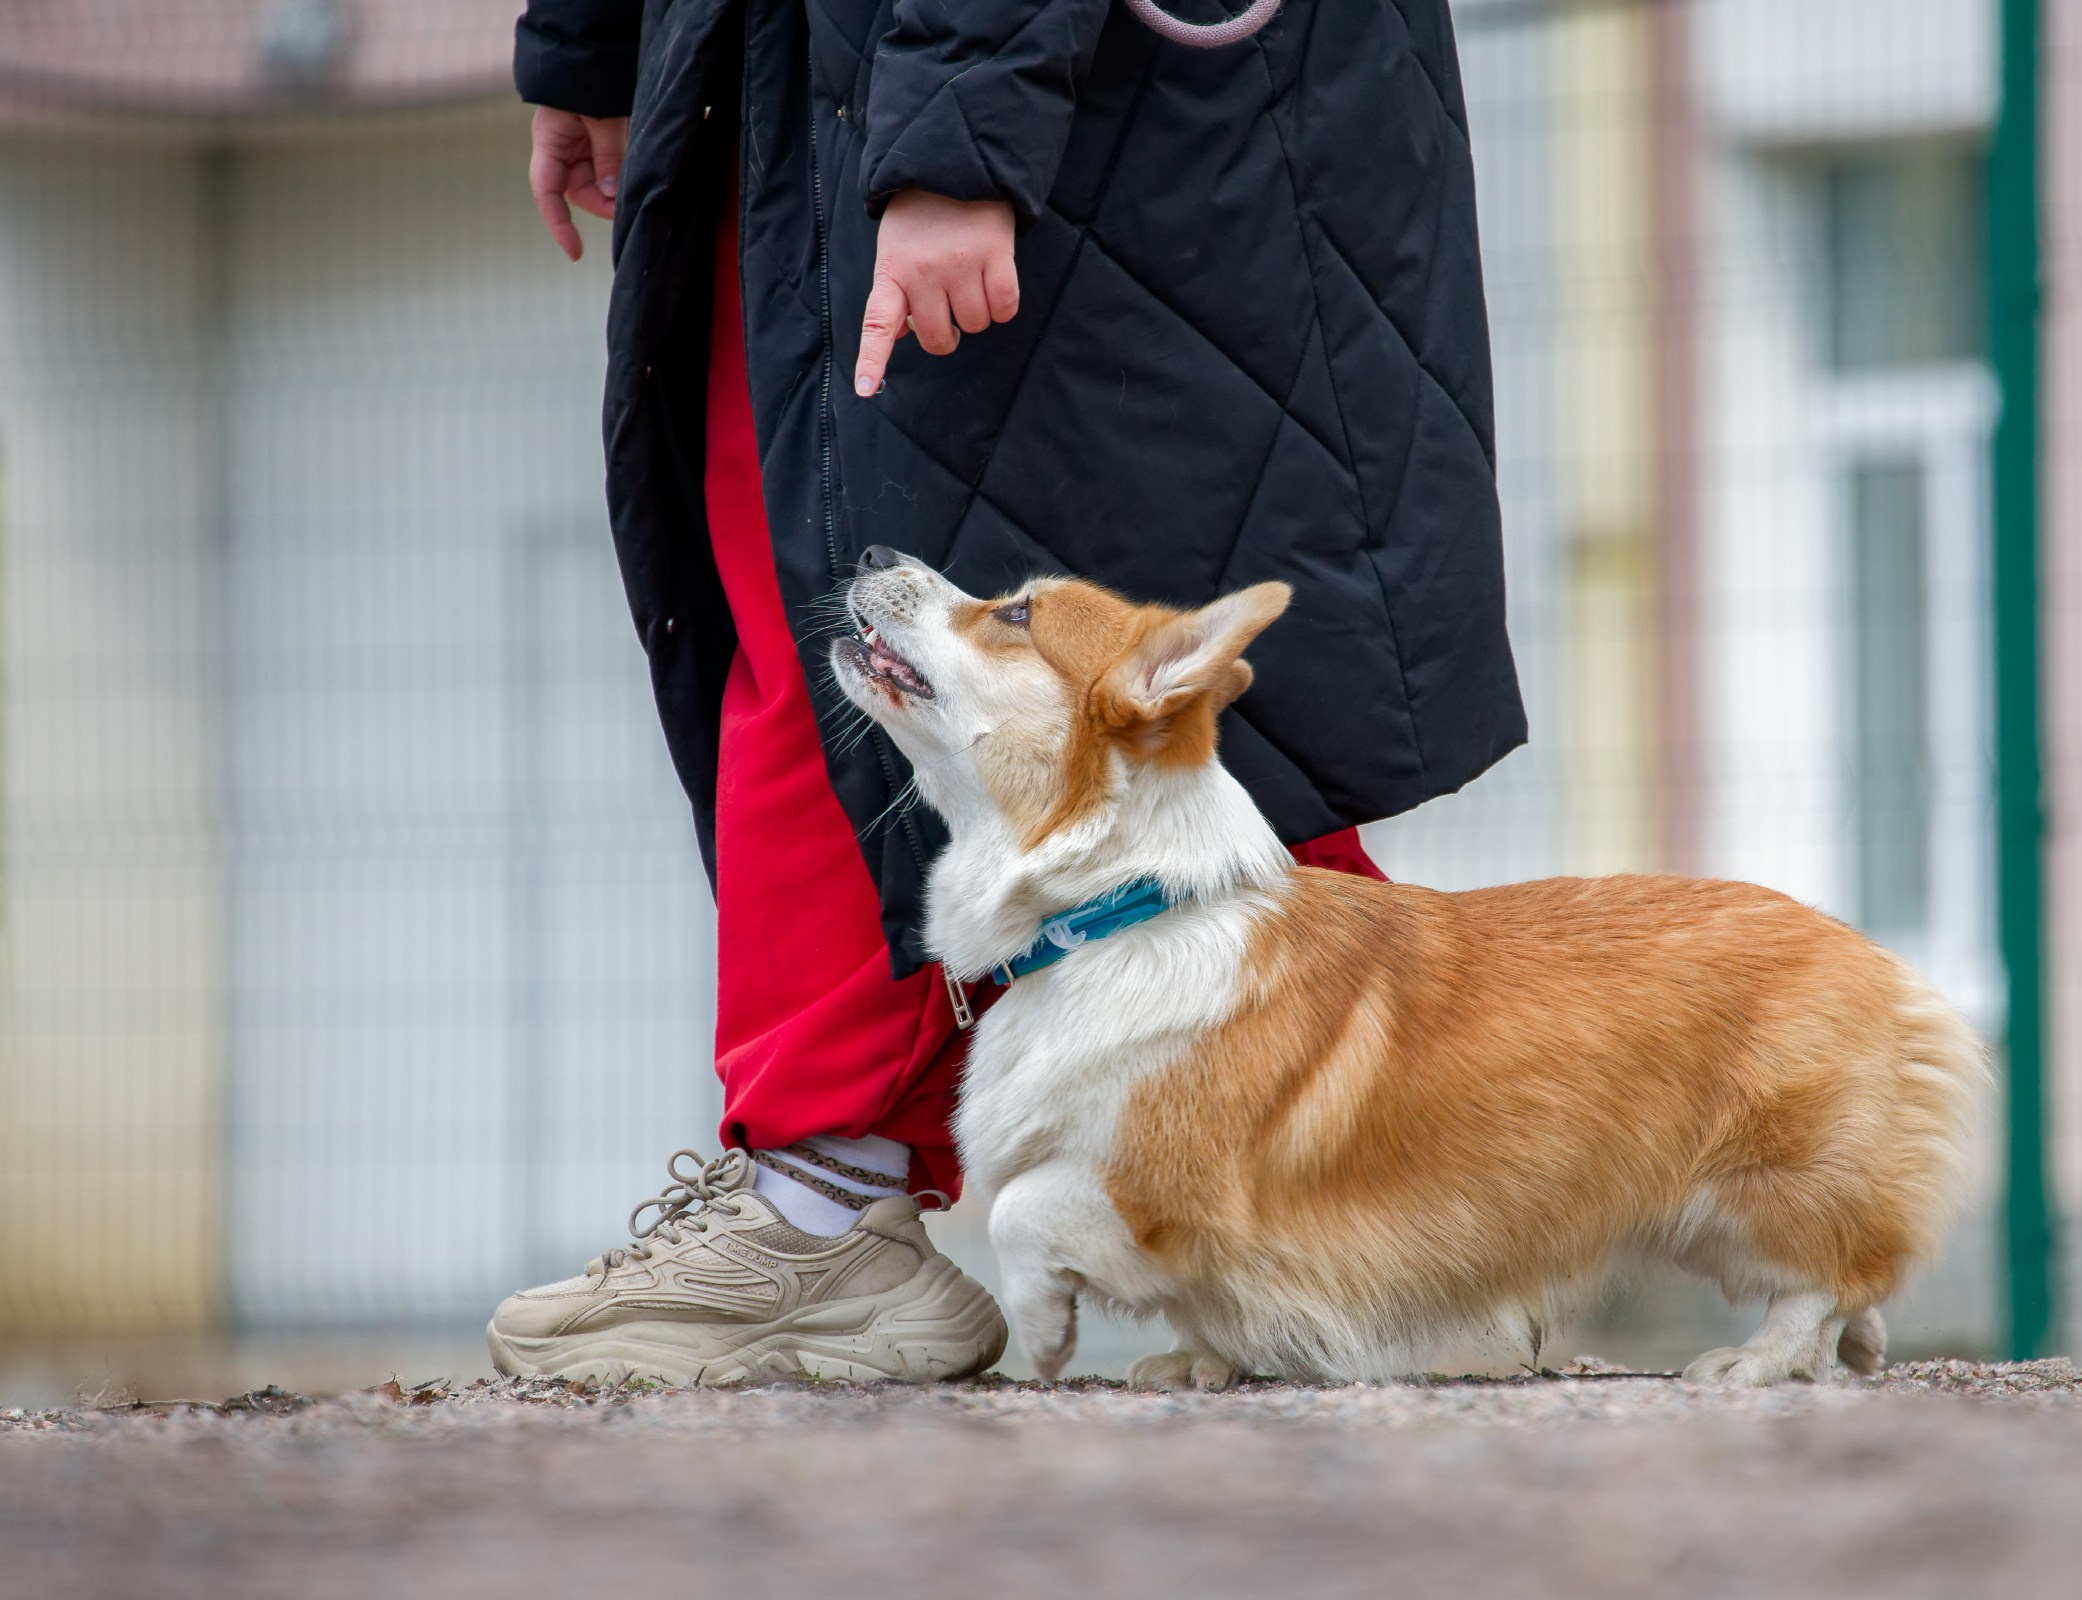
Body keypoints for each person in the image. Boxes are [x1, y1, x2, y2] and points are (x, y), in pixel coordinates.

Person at [487, 0, 1525, 1384]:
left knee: (1060, 629)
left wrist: (960, 131)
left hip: (1022, 72)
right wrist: (602, 42)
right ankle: (844, 1198)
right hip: (836, 62)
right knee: (837, 603)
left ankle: (1389, 1203)